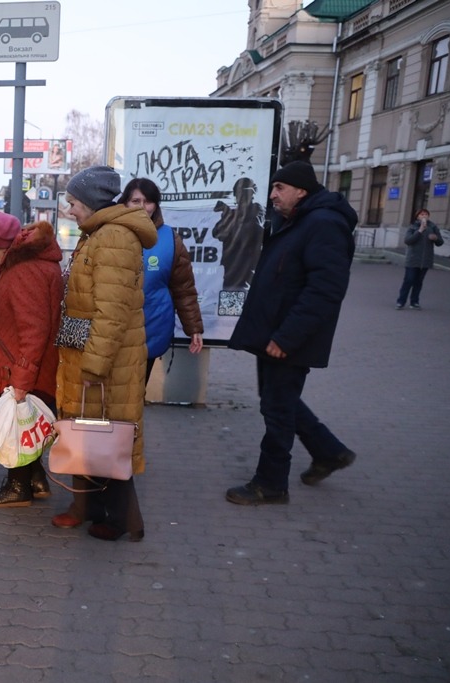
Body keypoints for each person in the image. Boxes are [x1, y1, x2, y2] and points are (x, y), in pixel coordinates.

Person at [226, 160, 358, 505]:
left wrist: (287, 338)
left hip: (289, 338)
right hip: (275, 334)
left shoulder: (324, 224)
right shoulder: (297, 221)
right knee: (277, 400)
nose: (272, 195)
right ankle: (329, 451)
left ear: (302, 190)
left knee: (277, 409)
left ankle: (270, 483)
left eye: (279, 188)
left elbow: (325, 290)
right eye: (271, 188)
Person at [50, 166, 158, 541]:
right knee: (89, 435)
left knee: (110, 440)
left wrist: (94, 364)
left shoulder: (113, 237)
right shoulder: (98, 233)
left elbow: (111, 312)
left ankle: (123, 521)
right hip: (90, 353)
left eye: (74, 202)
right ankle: (85, 507)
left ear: (92, 203)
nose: (70, 209)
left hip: (107, 362)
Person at [0, 211, 63, 507]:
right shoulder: (22, 262)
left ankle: (17, 487)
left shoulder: (24, 271)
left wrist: (21, 382)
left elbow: (33, 331)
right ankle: (35, 479)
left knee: (16, 423)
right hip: (25, 361)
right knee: (26, 423)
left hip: (20, 366)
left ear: (0, 244)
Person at [117, 178, 204, 382]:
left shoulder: (170, 239)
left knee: (137, 394)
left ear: (156, 205)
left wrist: (194, 328)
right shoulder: (111, 234)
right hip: (115, 329)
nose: (142, 207)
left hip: (152, 327)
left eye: (147, 201)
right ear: (125, 203)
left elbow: (184, 289)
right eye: (135, 201)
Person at [212, 176, 265, 290]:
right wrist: (227, 214)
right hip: (232, 270)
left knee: (249, 302)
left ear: (252, 195)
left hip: (250, 269)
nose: (243, 198)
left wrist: (229, 215)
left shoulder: (257, 211)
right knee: (230, 305)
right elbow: (218, 233)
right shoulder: (233, 214)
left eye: (246, 193)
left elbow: (253, 230)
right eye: (240, 194)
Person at [395, 208, 443, 310]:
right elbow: (408, 241)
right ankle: (401, 301)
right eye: (421, 214)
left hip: (425, 260)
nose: (424, 216)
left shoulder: (433, 227)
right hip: (413, 259)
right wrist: (420, 230)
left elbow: (440, 242)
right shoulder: (413, 227)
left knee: (418, 282)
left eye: (426, 214)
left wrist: (436, 238)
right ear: (417, 217)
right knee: (409, 280)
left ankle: (414, 302)